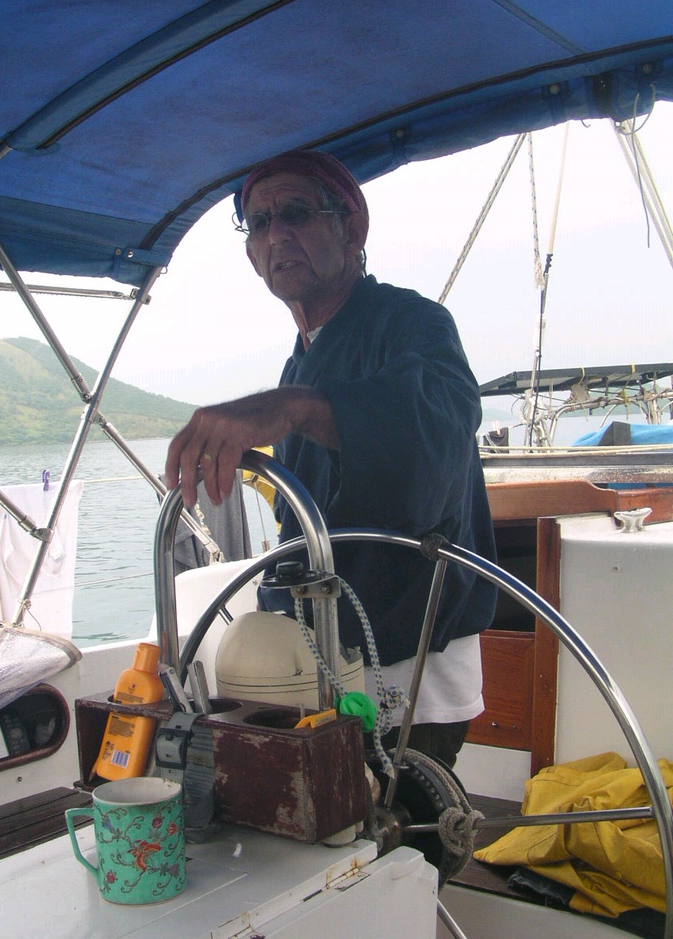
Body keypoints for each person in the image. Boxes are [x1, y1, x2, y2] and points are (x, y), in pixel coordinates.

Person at [165, 150, 497, 768]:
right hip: (320, 641)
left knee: (402, 845)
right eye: (258, 224)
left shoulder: (415, 323)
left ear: (354, 228)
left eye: (295, 213)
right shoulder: (305, 358)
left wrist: (291, 408)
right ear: (250, 254)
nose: (276, 234)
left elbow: (431, 439)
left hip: (410, 650)